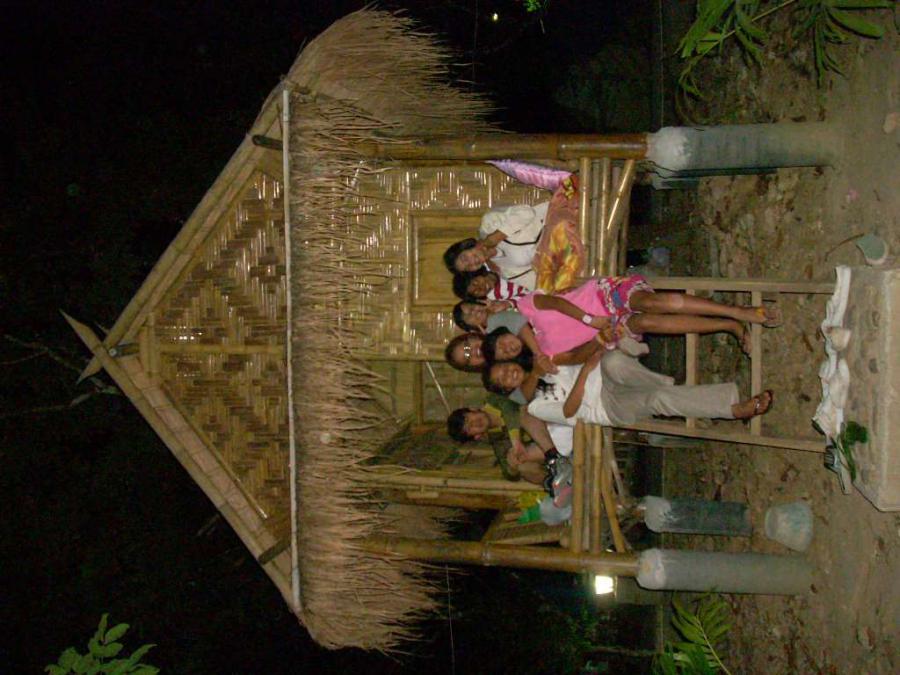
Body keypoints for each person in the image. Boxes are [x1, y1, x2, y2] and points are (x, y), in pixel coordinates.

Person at [463, 276, 782, 357]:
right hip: (613, 327)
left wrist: (590, 320)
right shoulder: (543, 352)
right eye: (505, 351)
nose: (508, 345)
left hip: (605, 295)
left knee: (651, 303)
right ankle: (730, 326)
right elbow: (577, 356)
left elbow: (558, 304)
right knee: (648, 323)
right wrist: (601, 340)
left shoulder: (527, 305)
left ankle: (738, 311)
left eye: (503, 341)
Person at [484, 347, 774, 429]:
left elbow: (576, 356)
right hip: (605, 408)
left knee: (615, 361)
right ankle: (734, 410)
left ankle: (671, 386)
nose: (510, 373)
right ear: (507, 390)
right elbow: (570, 410)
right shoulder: (535, 407)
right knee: (657, 398)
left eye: (505, 368)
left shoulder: (542, 361)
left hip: (604, 376)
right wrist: (585, 371)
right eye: (504, 379)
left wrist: (592, 353)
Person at [446, 398, 559, 486]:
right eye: (469, 428)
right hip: (554, 442)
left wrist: (515, 441)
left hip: (552, 412)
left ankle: (555, 454)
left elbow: (510, 407)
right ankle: (557, 483)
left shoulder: (494, 399)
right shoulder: (497, 439)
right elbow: (509, 475)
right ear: (477, 436)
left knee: (523, 413)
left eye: (468, 419)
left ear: (472, 409)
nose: (474, 423)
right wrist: (513, 464)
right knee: (521, 464)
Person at [443, 202, 549, 290]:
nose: (471, 262)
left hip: (553, 218)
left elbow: (526, 212)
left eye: (465, 258)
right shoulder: (505, 271)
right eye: (468, 267)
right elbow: (538, 285)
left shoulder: (488, 224)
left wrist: (498, 236)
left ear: (465, 246)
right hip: (557, 253)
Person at [452, 268, 529, 302]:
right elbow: (527, 296)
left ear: (475, 274)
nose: (481, 288)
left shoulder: (491, 263)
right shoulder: (495, 298)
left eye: (475, 283)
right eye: (476, 292)